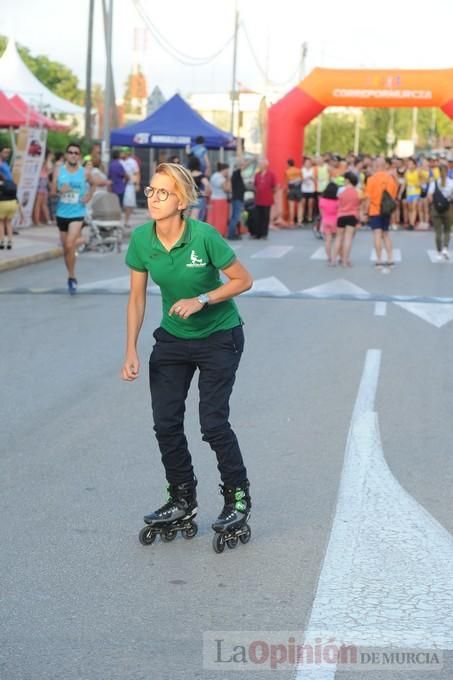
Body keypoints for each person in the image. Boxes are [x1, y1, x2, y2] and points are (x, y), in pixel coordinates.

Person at [121, 162, 253, 548]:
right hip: (173, 341)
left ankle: (237, 498)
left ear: (181, 201)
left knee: (212, 423)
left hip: (219, 336)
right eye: (151, 190)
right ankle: (181, 498)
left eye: (163, 193)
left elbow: (243, 280)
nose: (154, 198)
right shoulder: (142, 240)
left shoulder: (204, 237)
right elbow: (135, 298)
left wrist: (202, 299)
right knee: (165, 424)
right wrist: (130, 347)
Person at [51, 142, 92, 294]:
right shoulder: (58, 170)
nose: (73, 155)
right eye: (70, 152)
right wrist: (59, 190)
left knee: (69, 244)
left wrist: (89, 195)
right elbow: (52, 191)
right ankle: (71, 275)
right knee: (66, 248)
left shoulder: (85, 172)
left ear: (79, 156)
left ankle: (72, 276)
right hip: (62, 213)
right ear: (66, 154)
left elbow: (93, 184)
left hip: (77, 213)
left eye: (76, 153)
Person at [363, 157, 398, 268]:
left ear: (376, 166)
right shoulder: (390, 179)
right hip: (386, 210)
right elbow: (393, 196)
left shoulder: (371, 179)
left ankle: (378, 260)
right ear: (385, 166)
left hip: (375, 210)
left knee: (377, 235)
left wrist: (365, 212)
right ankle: (390, 258)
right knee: (386, 234)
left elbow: (368, 198)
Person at [332, 171, 361, 267]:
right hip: (352, 215)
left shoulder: (340, 190)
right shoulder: (358, 191)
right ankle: (345, 261)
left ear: (348, 180)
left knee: (338, 238)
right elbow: (360, 203)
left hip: (341, 215)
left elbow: (338, 203)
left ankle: (333, 260)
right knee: (348, 238)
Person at [427, 162, 453, 260]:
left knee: (438, 232)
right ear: (447, 171)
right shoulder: (451, 182)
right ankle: (445, 248)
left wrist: (435, 201)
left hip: (436, 209)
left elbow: (429, 197)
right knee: (447, 230)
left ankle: (439, 251)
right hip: (448, 209)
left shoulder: (434, 183)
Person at [253, 158, 276, 239]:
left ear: (265, 165)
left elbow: (275, 186)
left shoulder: (271, 174)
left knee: (265, 217)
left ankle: (264, 234)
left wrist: (270, 193)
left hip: (267, 199)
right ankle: (257, 233)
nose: (259, 165)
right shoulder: (257, 174)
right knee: (257, 217)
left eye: (261, 164)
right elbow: (255, 185)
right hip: (258, 199)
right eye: (259, 164)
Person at [0, 168, 21, 249]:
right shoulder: (9, 182)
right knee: (8, 223)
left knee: (1, 222)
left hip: (3, 204)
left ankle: (1, 241)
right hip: (13, 204)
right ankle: (10, 242)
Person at [208, 162, 231, 236]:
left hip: (214, 199)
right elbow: (227, 189)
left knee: (214, 218)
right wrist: (229, 179)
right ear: (224, 170)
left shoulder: (214, 176)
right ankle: (220, 233)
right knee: (221, 219)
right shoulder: (220, 178)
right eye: (227, 171)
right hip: (220, 200)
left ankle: (214, 233)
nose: (228, 172)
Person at [318, 182, 339, 265]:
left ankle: (329, 257)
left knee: (328, 240)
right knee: (338, 239)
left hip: (326, 220)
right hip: (336, 221)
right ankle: (338, 256)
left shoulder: (321, 200)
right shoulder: (337, 201)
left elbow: (321, 213)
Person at [121, 148, 140, 229]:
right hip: (119, 185)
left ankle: (126, 221)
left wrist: (137, 184)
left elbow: (137, 173)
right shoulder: (119, 161)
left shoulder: (132, 162)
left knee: (129, 204)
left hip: (129, 185)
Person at [187, 155, 211, 222]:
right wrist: (205, 193)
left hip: (188, 199)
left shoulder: (187, 174)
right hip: (198, 198)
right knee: (196, 222)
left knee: (187, 222)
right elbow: (207, 184)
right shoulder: (200, 174)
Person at [227, 159, 246, 240]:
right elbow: (242, 166)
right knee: (235, 216)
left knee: (235, 216)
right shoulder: (236, 173)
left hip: (237, 198)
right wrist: (253, 159)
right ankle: (231, 234)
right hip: (237, 198)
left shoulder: (235, 174)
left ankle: (233, 233)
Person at [285, 158, 302, 227]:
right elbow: (301, 179)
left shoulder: (287, 171)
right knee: (300, 206)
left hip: (291, 189)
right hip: (298, 189)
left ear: (288, 164)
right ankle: (299, 221)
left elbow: (287, 182)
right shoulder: (299, 170)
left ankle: (291, 222)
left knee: (291, 206)